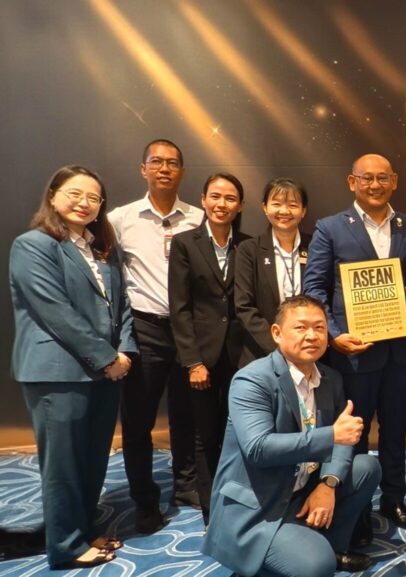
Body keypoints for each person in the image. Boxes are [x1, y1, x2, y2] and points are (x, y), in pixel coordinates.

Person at [9, 166, 135, 568]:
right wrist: (107, 358)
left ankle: (82, 530)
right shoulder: (33, 245)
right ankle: (65, 546)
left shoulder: (103, 250)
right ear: (53, 195)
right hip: (57, 371)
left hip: (105, 371)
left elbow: (123, 305)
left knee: (93, 459)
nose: (84, 203)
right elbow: (55, 312)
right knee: (63, 464)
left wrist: (125, 351)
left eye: (94, 198)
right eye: (75, 193)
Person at [202, 295, 380, 577]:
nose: (312, 336)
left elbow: (343, 441)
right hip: (259, 505)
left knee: (366, 467)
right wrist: (332, 435)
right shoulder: (252, 380)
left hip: (300, 487)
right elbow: (258, 449)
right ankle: (269, 561)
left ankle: (330, 547)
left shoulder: (331, 379)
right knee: (316, 565)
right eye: (300, 327)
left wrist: (328, 484)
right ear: (277, 333)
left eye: (320, 328)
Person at [304, 154, 406, 540]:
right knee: (353, 434)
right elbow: (314, 288)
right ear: (351, 182)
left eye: (382, 178)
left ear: (395, 181)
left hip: (400, 352)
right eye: (367, 178)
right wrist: (333, 334)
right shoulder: (330, 228)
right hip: (353, 354)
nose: (375, 185)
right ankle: (354, 510)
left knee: (396, 429)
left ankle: (393, 499)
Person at [108, 139, 203, 532]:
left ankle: (186, 485)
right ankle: (144, 500)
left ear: (182, 171)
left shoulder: (199, 217)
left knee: (187, 415)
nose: (165, 168)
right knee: (138, 420)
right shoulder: (119, 219)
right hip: (144, 328)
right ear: (143, 169)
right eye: (157, 162)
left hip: (188, 330)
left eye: (173, 163)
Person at [168, 172, 249, 525]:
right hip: (201, 357)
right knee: (205, 435)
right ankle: (211, 512)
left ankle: (239, 502)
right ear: (203, 200)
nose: (222, 204)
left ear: (240, 205)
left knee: (238, 432)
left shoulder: (247, 245)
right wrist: (192, 362)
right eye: (215, 196)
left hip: (240, 356)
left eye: (230, 198)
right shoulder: (185, 243)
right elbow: (180, 308)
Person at [236, 178, 311, 366]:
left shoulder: (316, 246)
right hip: (262, 354)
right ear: (265, 207)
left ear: (303, 210)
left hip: (310, 350)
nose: (284, 211)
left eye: (292, 205)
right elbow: (244, 307)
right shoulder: (249, 250)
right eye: (276, 204)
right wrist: (278, 346)